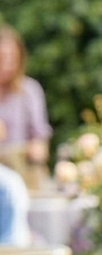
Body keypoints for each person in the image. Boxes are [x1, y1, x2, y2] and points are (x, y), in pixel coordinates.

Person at [0, 27, 51, 191]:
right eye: (2, 58)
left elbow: (40, 142)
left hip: (23, 179)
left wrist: (34, 149)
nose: (7, 64)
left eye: (11, 58)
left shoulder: (30, 90)